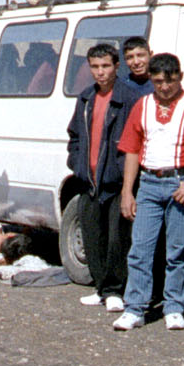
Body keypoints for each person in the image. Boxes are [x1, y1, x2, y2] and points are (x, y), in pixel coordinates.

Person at [113, 53, 184, 331]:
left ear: (180, 78)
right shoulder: (143, 106)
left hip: (180, 183)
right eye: (159, 81)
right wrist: (128, 191)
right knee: (140, 249)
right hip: (149, 183)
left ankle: (174, 306)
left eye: (170, 81)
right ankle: (135, 308)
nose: (164, 87)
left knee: (178, 249)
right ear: (151, 79)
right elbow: (131, 149)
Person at [66, 42, 132, 312]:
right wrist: (77, 163)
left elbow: (135, 141)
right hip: (89, 180)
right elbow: (74, 135)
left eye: (106, 66)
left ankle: (116, 290)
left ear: (117, 67)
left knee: (117, 238)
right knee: (93, 236)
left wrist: (121, 173)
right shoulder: (85, 98)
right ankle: (101, 287)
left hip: (115, 183)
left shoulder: (129, 98)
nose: (100, 72)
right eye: (95, 67)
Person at [120, 36, 154, 101]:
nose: (136, 62)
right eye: (130, 57)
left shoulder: (161, 84)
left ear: (151, 55)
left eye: (140, 55)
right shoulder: (121, 86)